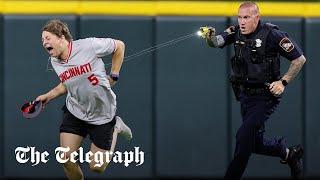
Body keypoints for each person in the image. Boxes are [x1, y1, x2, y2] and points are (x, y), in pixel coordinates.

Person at [199, 1, 306, 179]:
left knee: (242, 139)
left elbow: (299, 59)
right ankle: (289, 154)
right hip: (245, 96)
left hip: (265, 97)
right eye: (240, 17)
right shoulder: (236, 31)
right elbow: (217, 42)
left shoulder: (273, 35)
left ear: (257, 17)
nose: (242, 21)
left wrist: (283, 82)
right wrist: (210, 37)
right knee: (253, 143)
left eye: (246, 17)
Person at [36, 19, 132, 180]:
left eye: (47, 38)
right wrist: (48, 96)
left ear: (61, 37)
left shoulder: (89, 45)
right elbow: (68, 83)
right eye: (42, 40)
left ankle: (116, 126)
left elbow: (119, 46)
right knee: (65, 159)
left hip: (102, 114)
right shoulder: (54, 61)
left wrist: (114, 75)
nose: (44, 42)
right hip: (76, 110)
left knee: (97, 167)